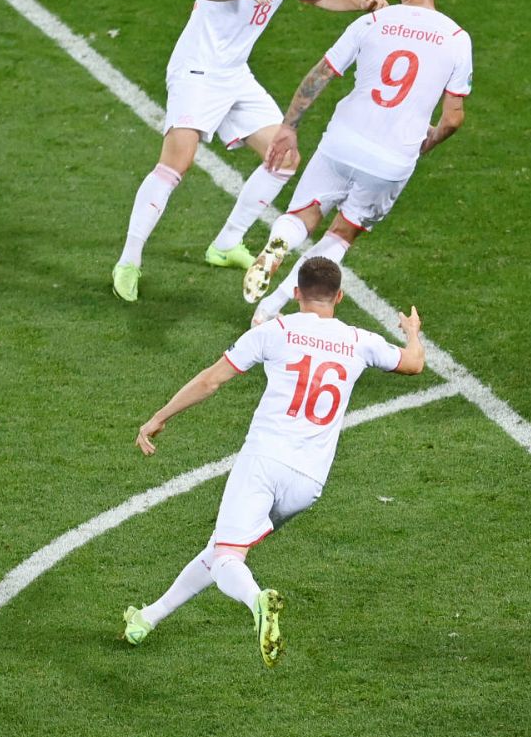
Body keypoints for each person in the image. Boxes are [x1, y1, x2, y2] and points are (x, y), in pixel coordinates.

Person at [122, 257, 425, 666]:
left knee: (230, 557)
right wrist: (412, 334)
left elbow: (211, 380)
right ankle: (148, 618)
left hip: (263, 462)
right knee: (222, 548)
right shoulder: (360, 340)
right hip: (308, 483)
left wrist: (159, 417)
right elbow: (414, 363)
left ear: (296, 293)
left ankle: (257, 601)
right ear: (339, 296)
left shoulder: (275, 331)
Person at [111, 0, 386, 302]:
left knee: (284, 158)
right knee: (177, 163)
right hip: (197, 70)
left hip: (235, 74)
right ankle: (128, 261)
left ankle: (225, 244)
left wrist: (361, 4)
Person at [241, 0, 471, 324]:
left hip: (343, 140)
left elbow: (322, 74)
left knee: (302, 214)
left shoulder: (372, 22)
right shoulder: (457, 38)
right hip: (392, 159)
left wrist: (288, 127)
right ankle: (269, 309)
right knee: (341, 235)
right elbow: (452, 119)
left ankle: (279, 243)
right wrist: (422, 145)